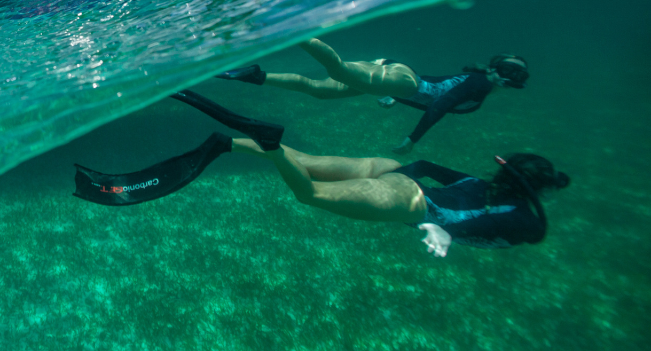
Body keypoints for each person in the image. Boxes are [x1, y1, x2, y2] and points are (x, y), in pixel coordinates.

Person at [74, 90, 569, 256]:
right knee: (307, 191)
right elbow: (485, 224)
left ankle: (225, 140)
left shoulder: (496, 188)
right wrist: (440, 226)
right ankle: (264, 139)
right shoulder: (532, 222)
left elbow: (439, 170)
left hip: (400, 174)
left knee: (302, 160)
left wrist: (407, 172)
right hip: (413, 202)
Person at [218, 38, 529, 154]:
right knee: (338, 70)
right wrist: (412, 139)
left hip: (402, 81)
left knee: (319, 91)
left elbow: (437, 85)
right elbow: (441, 103)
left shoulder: (478, 81)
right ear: (504, 77)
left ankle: (254, 75)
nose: (512, 86)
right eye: (515, 79)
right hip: (404, 83)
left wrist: (395, 95)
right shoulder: (483, 86)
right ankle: (292, 31)